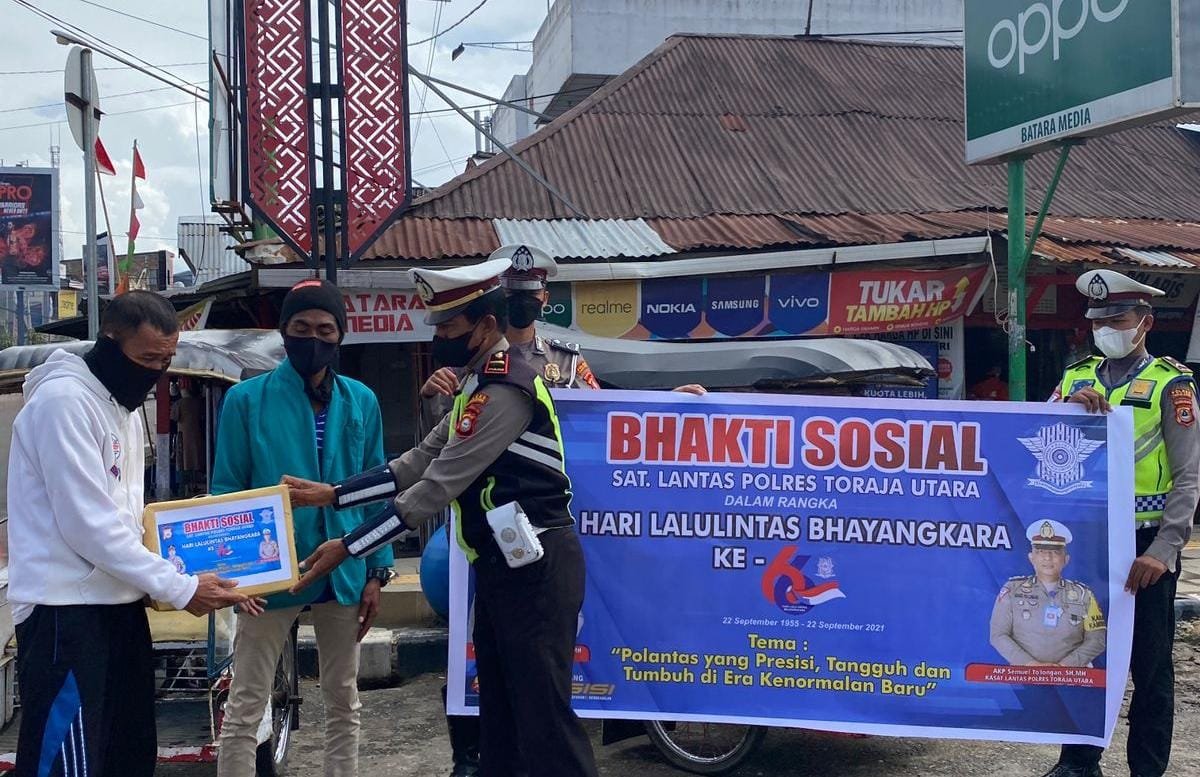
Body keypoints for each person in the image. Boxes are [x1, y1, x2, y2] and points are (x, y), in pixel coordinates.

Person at [284, 260, 600, 777]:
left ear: (487, 326)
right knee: (499, 717)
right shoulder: (476, 386)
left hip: (539, 572)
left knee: (545, 722)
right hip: (504, 568)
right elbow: (414, 462)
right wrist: (333, 495)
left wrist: (349, 546)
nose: (439, 338)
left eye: (449, 327)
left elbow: (434, 488)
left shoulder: (505, 390)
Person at [6, 290, 262, 777]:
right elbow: (87, 524)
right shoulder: (63, 403)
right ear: (109, 342)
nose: (156, 372)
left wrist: (186, 568)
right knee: (68, 761)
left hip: (119, 607)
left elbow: (129, 517)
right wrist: (179, 586)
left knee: (126, 752)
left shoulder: (121, 408)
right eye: (147, 360)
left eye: (166, 361)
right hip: (65, 612)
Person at [213, 279, 394, 777]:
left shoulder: (361, 400)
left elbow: (377, 487)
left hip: (344, 565)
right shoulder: (246, 400)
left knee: (343, 700)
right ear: (284, 331)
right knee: (245, 705)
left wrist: (378, 571)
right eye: (302, 327)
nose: (313, 338)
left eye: (325, 329)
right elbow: (227, 490)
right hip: (268, 572)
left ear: (340, 336)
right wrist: (234, 578)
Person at [1039, 269, 1200, 777]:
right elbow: (1034, 435)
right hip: (1087, 542)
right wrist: (1068, 411)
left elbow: (1189, 478)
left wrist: (1164, 551)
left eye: (1118, 320)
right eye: (1098, 322)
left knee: (1149, 668)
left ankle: (1146, 770)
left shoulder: (1171, 385)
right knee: (1080, 654)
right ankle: (1078, 762)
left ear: (1145, 323)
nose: (1105, 330)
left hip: (1145, 546)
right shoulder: (1075, 378)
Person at [990, 520, 1106, 667]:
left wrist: (1065, 666)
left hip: (1071, 676)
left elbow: (1097, 640)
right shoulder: (1012, 589)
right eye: (1040, 551)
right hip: (1023, 674)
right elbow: (998, 635)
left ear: (1066, 559)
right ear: (1031, 557)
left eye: (1055, 552)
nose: (1047, 557)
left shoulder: (1083, 594)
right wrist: (1030, 664)